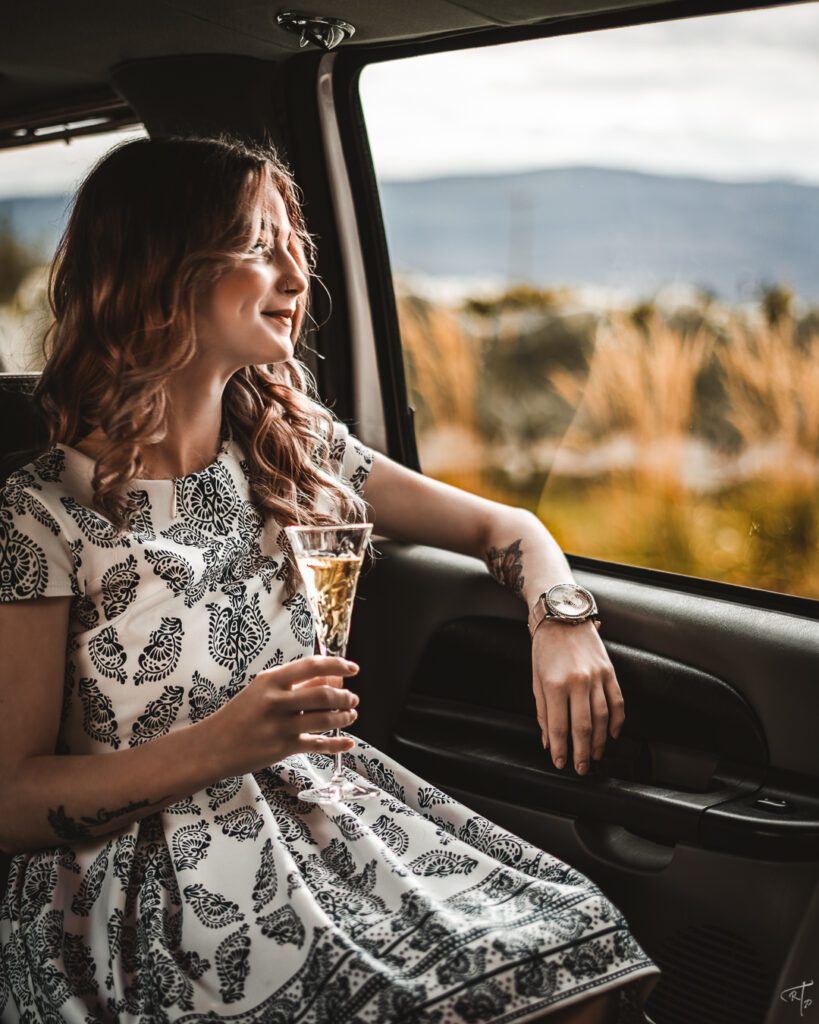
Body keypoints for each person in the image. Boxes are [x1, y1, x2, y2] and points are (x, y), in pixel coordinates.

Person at [0, 135, 661, 1023]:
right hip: (144, 880)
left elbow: (506, 528)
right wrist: (223, 744)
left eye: (295, 246)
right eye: (258, 244)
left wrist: (561, 617)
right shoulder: (40, 514)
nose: (294, 273)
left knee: (580, 951)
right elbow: (10, 800)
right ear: (159, 269)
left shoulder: (293, 451)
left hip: (325, 816)